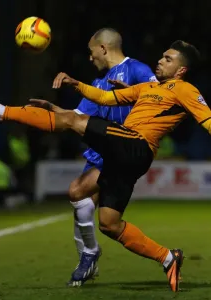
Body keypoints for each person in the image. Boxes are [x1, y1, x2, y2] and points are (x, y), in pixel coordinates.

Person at [0, 40, 206, 292]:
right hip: (126, 157)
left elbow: (207, 120)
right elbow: (105, 97)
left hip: (136, 145)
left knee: (73, 120)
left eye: (168, 59)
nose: (161, 60)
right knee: (109, 223)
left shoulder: (185, 89)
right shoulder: (148, 88)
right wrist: (76, 85)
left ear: (181, 70)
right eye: (162, 56)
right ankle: (168, 258)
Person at [52, 28, 157, 286]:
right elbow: (75, 116)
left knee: (77, 191)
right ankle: (88, 259)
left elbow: (159, 98)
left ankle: (88, 255)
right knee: (88, 207)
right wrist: (45, 111)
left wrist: (131, 96)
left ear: (103, 48)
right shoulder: (98, 83)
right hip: (102, 150)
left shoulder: (136, 70)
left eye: (91, 52)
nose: (90, 58)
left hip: (123, 148)